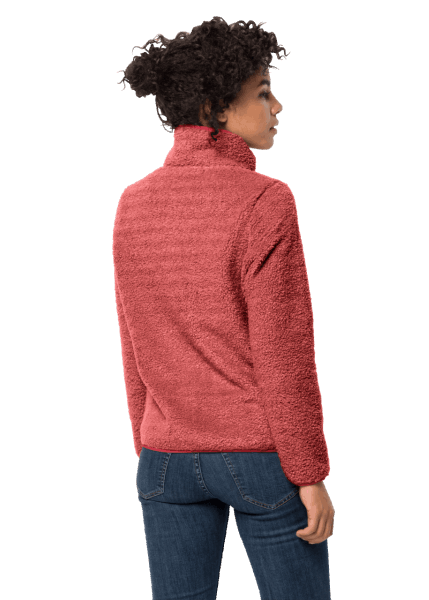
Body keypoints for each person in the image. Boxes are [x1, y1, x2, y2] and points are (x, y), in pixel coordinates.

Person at [115, 16, 333, 599]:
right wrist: (309, 474)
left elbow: (133, 343)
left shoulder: (132, 202)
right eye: (262, 93)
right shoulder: (266, 200)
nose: (277, 107)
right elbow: (284, 354)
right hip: (258, 456)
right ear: (216, 107)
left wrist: (149, 443)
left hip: (164, 457)